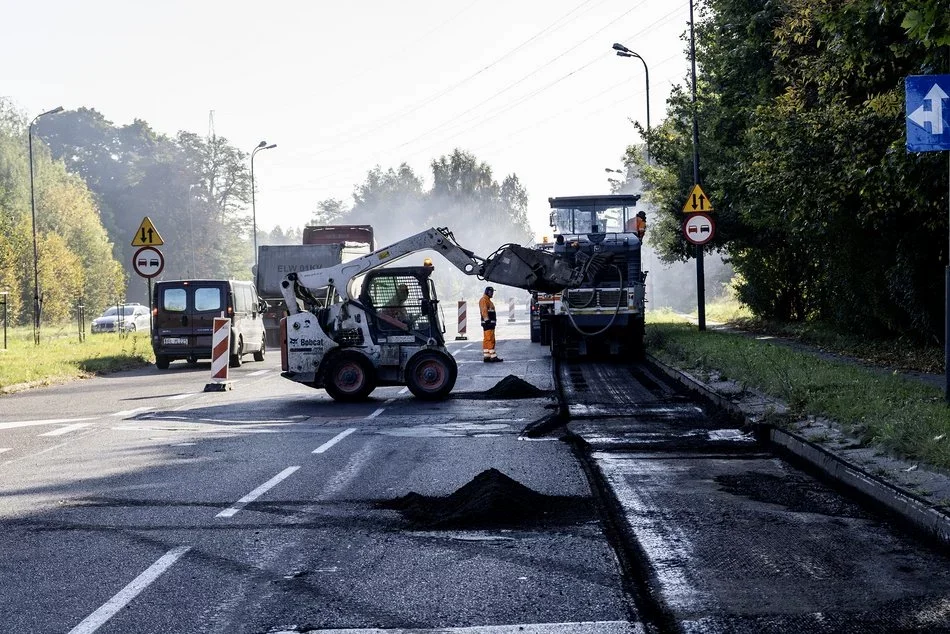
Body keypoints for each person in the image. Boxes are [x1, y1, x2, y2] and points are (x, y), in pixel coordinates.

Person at [479, 286, 502, 362]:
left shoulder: (487, 300)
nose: (492, 294)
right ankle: (493, 356)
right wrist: (487, 321)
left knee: (486, 339)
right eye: (491, 292)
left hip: (488, 324)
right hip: (488, 324)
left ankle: (487, 356)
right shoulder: (484, 300)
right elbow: (484, 311)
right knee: (490, 339)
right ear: (487, 292)